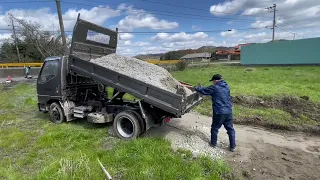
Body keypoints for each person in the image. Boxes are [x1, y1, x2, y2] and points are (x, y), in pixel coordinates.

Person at [194, 74, 236, 152]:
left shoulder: (214, 87)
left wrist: (195, 88)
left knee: (215, 128)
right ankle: (233, 146)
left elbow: (203, 91)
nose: (213, 83)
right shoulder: (227, 87)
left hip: (219, 112)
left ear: (216, 80)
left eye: (213, 81)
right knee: (230, 129)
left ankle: (213, 143)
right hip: (228, 111)